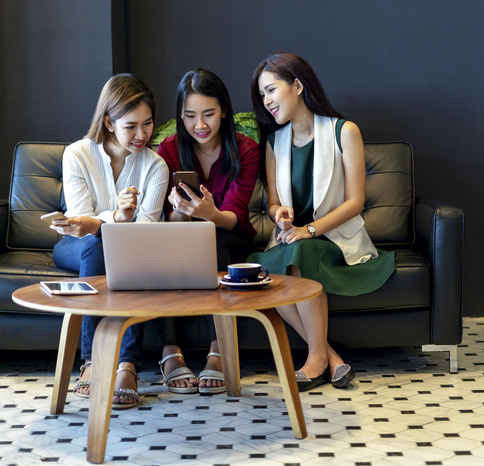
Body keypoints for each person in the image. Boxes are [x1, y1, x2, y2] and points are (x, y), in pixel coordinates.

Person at [248, 53, 396, 391]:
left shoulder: (345, 131)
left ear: (298, 85)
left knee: (303, 255)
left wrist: (308, 230)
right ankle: (331, 358)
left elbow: (355, 202)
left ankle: (314, 363)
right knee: (267, 272)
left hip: (333, 239)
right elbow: (272, 202)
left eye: (271, 90)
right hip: (290, 239)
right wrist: (279, 214)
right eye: (262, 95)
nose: (267, 101)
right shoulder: (273, 143)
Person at [51, 74, 169, 409]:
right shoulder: (77, 154)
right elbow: (80, 220)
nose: (142, 135)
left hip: (129, 249)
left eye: (147, 124)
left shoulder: (155, 165)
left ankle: (126, 365)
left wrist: (116, 223)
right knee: (97, 245)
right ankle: (92, 360)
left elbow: (145, 231)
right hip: (77, 245)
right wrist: (117, 218)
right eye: (131, 126)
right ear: (109, 121)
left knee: (122, 253)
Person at [156, 68, 260, 394]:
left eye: (208, 114)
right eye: (189, 116)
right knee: (167, 248)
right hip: (181, 237)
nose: (199, 125)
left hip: (230, 236)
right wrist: (181, 213)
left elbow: (234, 216)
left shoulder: (245, 150)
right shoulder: (169, 150)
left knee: (213, 237)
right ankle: (170, 351)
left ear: (224, 110)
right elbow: (169, 226)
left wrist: (209, 214)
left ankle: (220, 349)